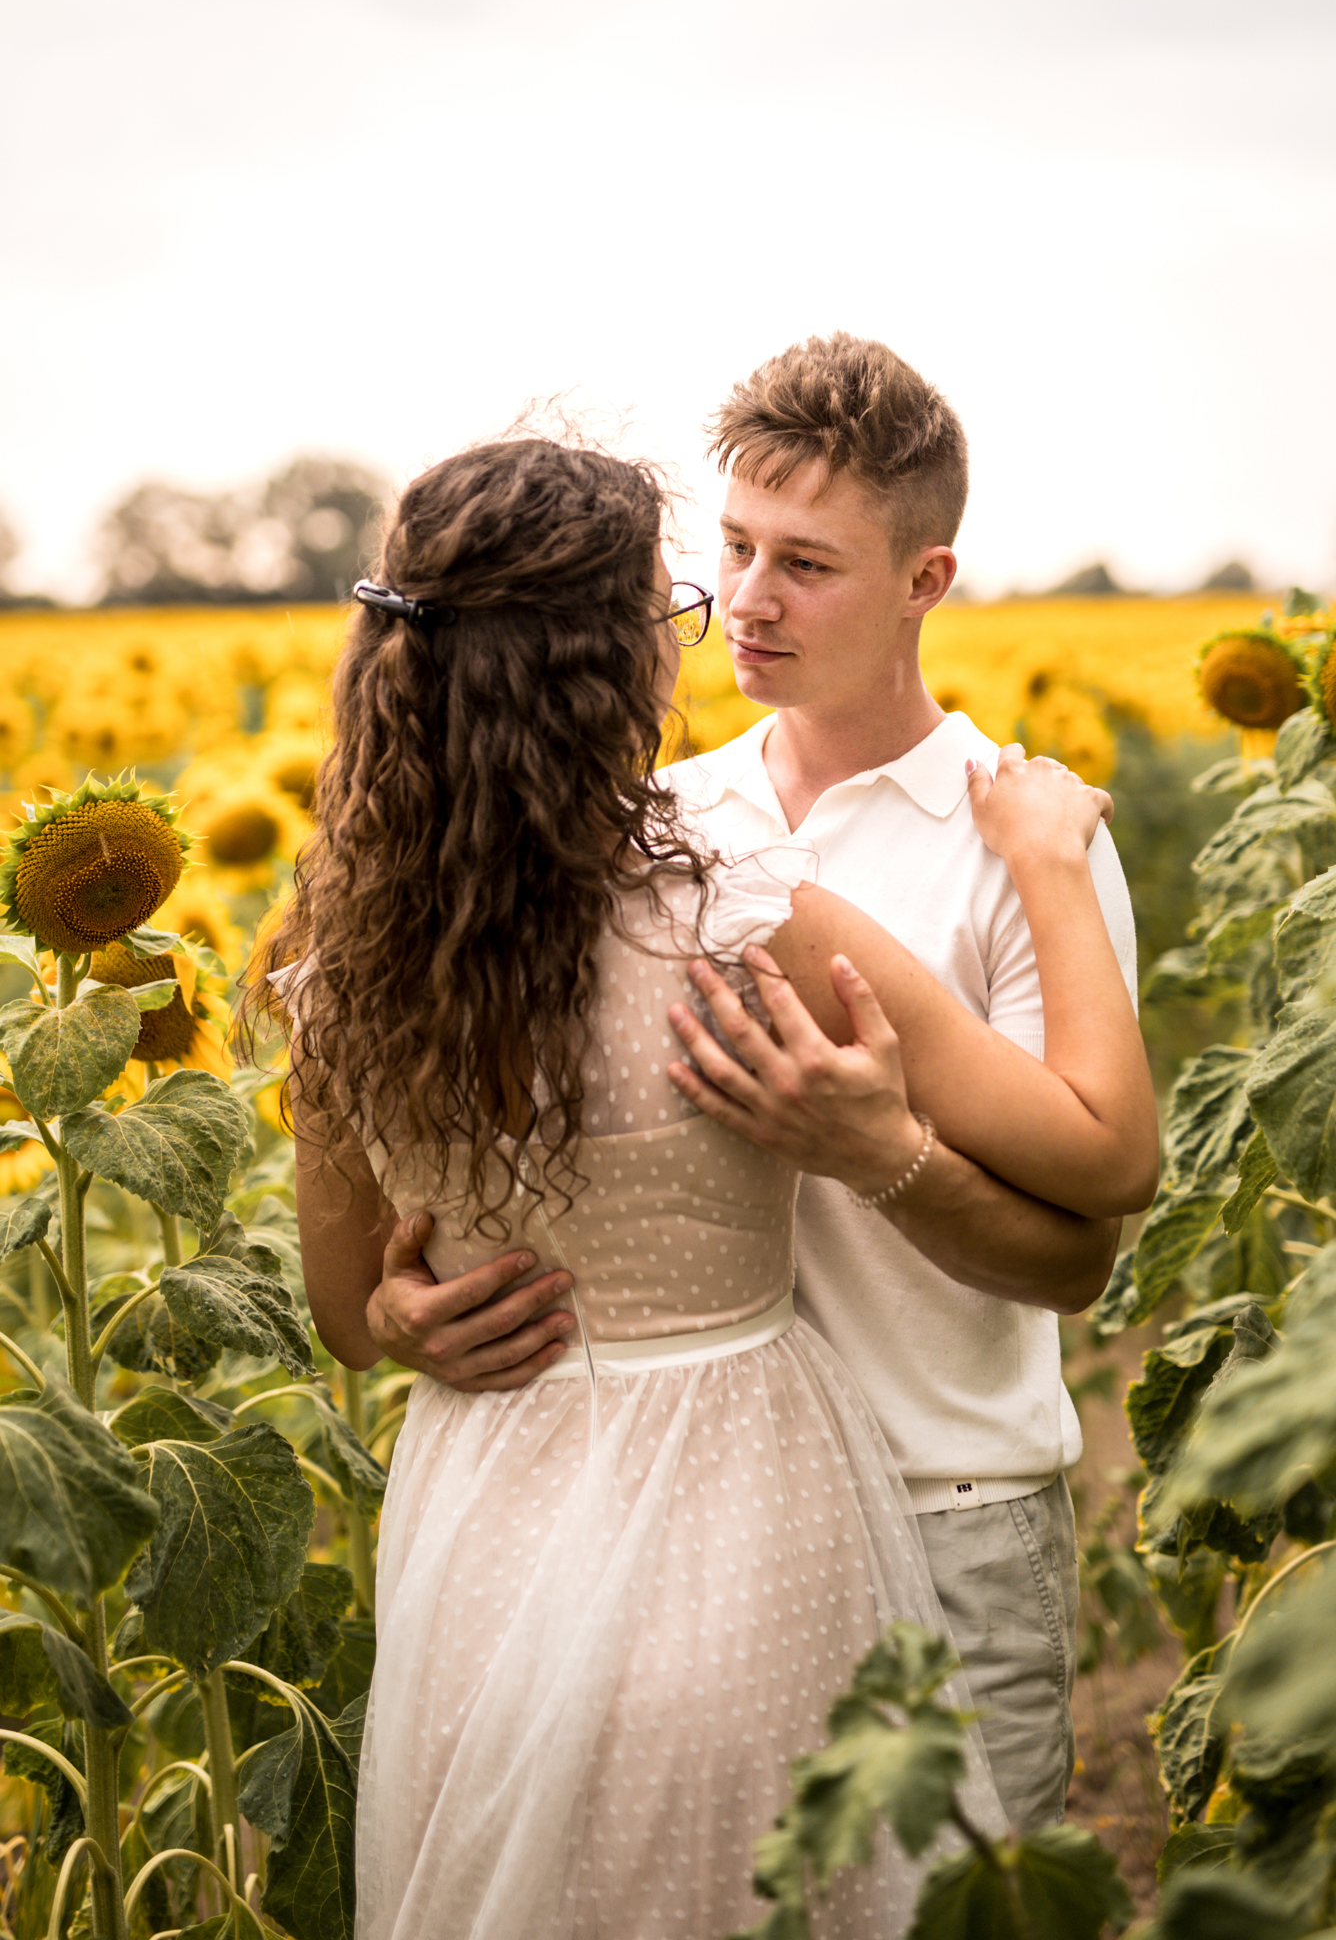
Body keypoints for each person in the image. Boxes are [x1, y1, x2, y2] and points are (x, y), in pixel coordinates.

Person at [258, 432, 1158, 1940]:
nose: (727, 614)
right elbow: (1110, 1156)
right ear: (613, 667)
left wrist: (409, 1324)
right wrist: (1055, 870)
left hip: (480, 1532)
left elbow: (348, 1311)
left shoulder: (343, 962)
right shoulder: (737, 914)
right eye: (686, 598)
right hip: (748, 1512)